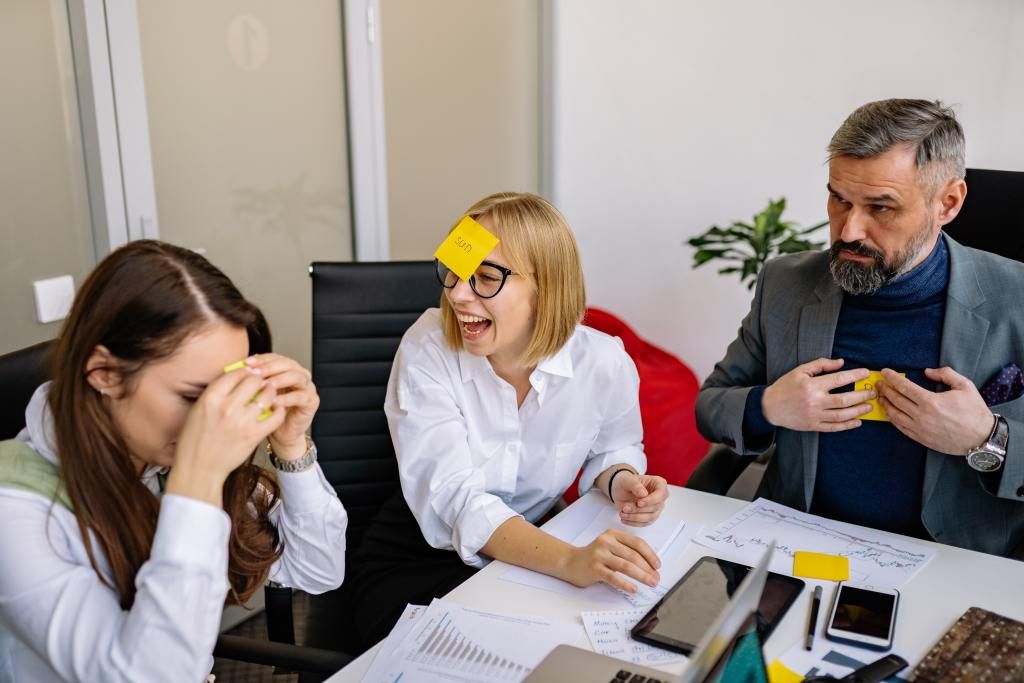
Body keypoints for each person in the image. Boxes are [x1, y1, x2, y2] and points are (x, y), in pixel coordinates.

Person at [0, 241, 348, 682]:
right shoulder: (14, 507)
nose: (217, 415)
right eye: (192, 396)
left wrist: (291, 444)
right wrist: (197, 479)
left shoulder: (161, 458)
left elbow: (320, 570)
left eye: (231, 388)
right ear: (103, 373)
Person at [696, 99, 1024, 557]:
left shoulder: (1016, 297)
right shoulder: (785, 283)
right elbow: (710, 406)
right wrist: (768, 405)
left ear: (947, 203)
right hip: (800, 550)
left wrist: (987, 437)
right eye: (839, 199)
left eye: (881, 208)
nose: (848, 230)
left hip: (954, 563)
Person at [346, 192, 670, 646]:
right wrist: (567, 562)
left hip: (534, 549)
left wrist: (622, 481)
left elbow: (613, 448)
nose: (458, 295)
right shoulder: (426, 349)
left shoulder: (602, 361)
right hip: (418, 558)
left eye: (484, 277)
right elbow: (458, 501)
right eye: (455, 273)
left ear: (547, 286)